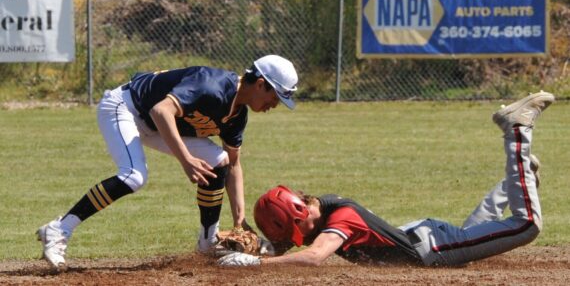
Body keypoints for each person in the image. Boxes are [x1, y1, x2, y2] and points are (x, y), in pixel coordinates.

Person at [218, 91, 555, 267]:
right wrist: (238, 247)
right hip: (425, 237)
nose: (296, 241)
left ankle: (517, 130)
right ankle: (519, 178)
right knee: (469, 237)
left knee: (526, 227)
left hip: (432, 249)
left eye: (293, 232)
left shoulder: (341, 219)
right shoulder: (320, 212)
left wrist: (256, 266)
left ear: (299, 214)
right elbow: (292, 249)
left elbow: (313, 257)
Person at [37, 55, 299, 269]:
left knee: (219, 161)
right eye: (275, 96)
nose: (274, 104)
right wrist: (186, 160)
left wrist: (240, 221)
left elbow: (233, 165)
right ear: (261, 83)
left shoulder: (237, 115)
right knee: (134, 176)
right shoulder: (213, 86)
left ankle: (208, 242)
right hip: (127, 107)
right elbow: (160, 110)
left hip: (158, 124)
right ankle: (59, 229)